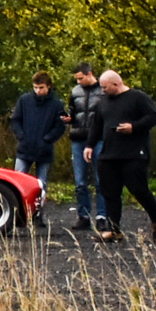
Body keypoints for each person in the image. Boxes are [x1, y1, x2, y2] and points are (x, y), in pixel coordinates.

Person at [86, 68, 156, 242]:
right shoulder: (102, 103)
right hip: (108, 154)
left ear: (117, 83)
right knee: (110, 193)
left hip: (133, 153)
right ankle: (114, 229)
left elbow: (153, 116)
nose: (103, 90)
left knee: (139, 190)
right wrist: (89, 145)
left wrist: (134, 127)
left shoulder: (138, 97)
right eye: (101, 87)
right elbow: (96, 125)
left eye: (105, 87)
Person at [9, 72, 64, 202]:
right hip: (25, 148)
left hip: (44, 150)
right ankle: (18, 212)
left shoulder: (57, 104)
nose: (38, 91)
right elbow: (15, 120)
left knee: (41, 184)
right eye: (36, 87)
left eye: (41, 87)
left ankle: (38, 215)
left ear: (48, 86)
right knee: (17, 182)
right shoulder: (24, 100)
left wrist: (47, 140)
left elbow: (60, 126)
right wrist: (22, 137)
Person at [64, 63, 103, 230]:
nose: (79, 81)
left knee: (101, 180)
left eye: (81, 78)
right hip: (78, 138)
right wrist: (69, 119)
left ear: (89, 74)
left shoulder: (103, 90)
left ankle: (102, 215)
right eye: (77, 79)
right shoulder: (75, 92)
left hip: (99, 139)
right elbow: (73, 112)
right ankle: (83, 215)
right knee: (80, 181)